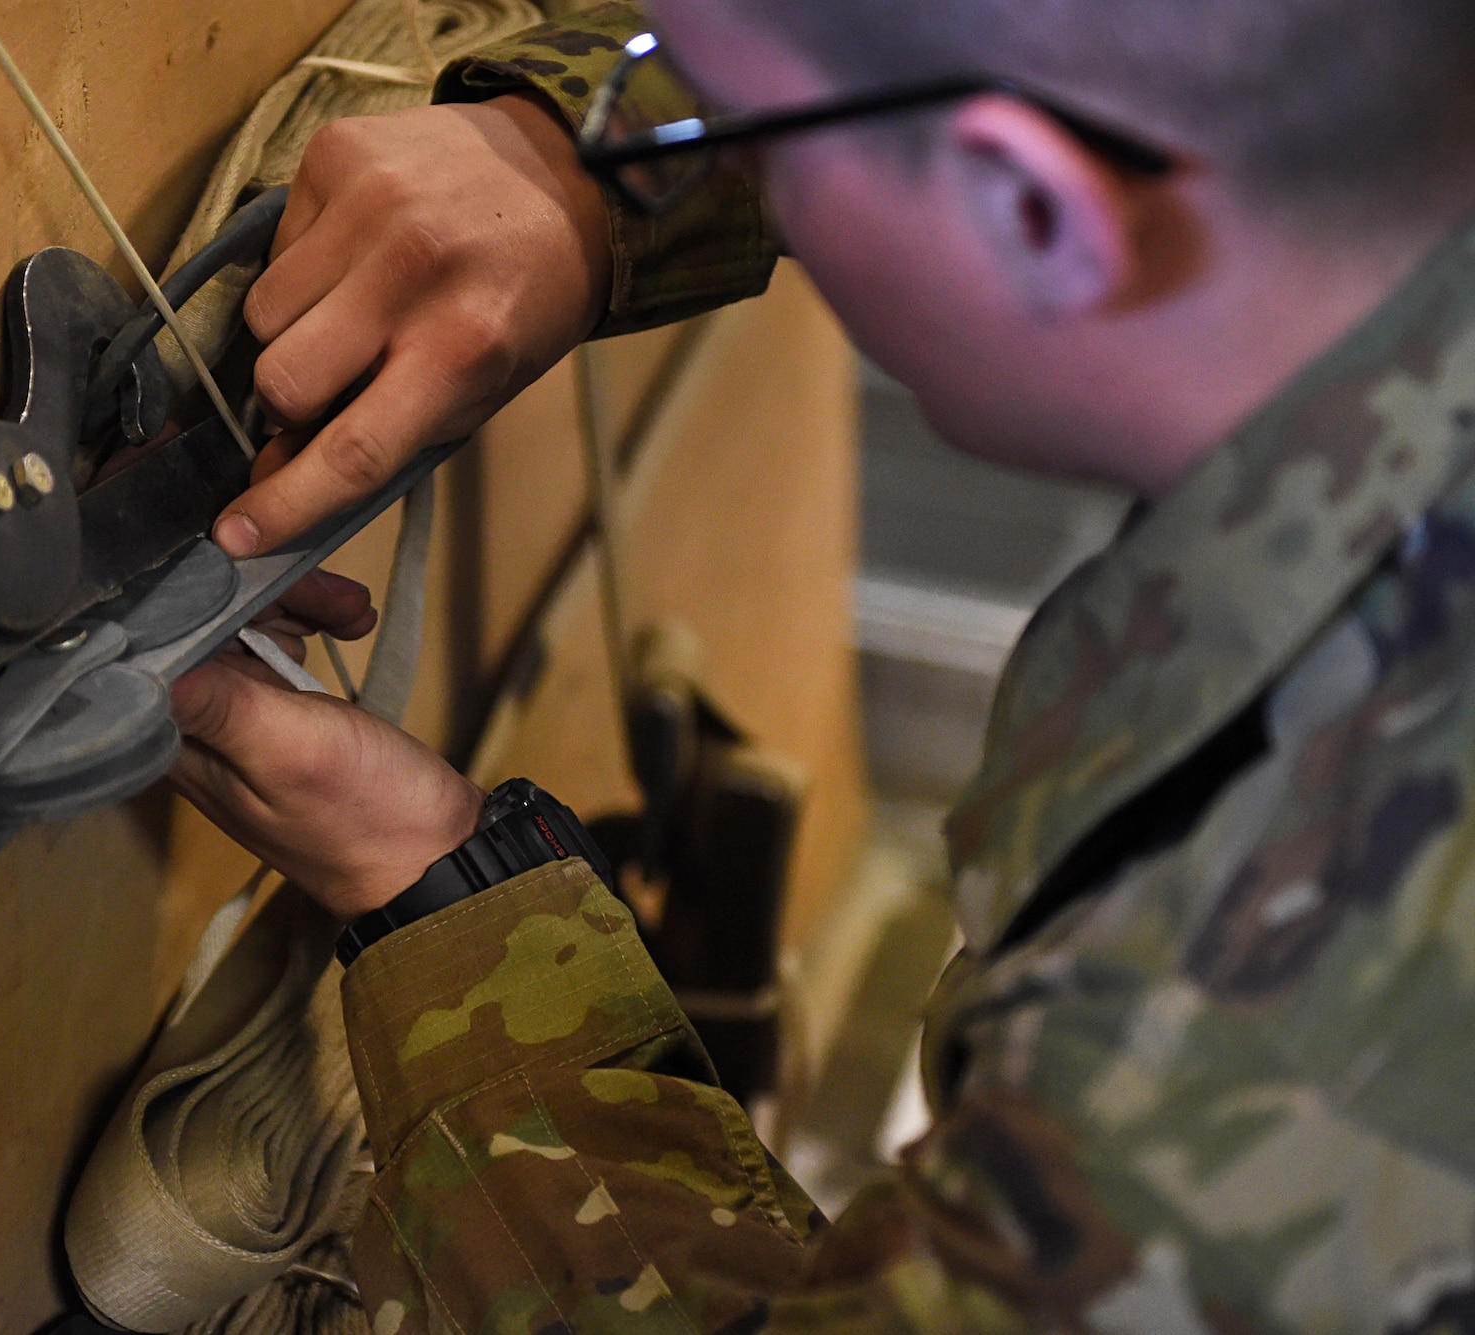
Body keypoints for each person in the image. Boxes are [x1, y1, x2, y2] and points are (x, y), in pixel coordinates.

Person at [168, 1, 1475, 1330]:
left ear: (1029, 212)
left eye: (750, 140)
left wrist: (442, 904)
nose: (707, 152)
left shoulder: (1247, 1034)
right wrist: (578, 160)